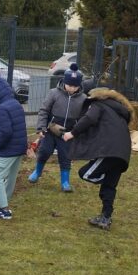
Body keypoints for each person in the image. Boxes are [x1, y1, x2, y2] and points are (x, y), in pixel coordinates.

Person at [62, 79, 133, 230]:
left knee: (85, 173)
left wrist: (72, 133)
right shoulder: (117, 109)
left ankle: (105, 213)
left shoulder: (98, 104)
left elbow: (89, 118)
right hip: (123, 153)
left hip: (109, 151)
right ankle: (106, 217)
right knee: (109, 186)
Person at [30, 63, 87, 192]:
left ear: (79, 85)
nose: (72, 88)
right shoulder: (54, 93)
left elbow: (84, 118)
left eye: (75, 86)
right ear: (64, 82)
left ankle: (65, 182)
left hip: (67, 134)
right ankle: (37, 172)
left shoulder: (83, 99)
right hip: (51, 130)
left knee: (65, 157)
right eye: (69, 85)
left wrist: (76, 132)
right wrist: (41, 127)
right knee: (44, 151)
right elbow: (44, 110)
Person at [0, 75, 28, 220]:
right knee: (11, 176)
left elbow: (6, 132)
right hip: (20, 147)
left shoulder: (2, 109)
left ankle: (4, 210)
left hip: (10, 148)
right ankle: (2, 200)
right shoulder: (15, 103)